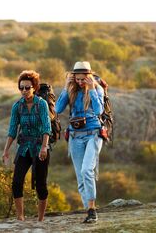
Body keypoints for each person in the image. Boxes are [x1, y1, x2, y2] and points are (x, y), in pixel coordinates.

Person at [55, 61, 104, 223]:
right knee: (80, 178)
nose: (81, 82)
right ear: (74, 77)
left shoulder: (97, 89)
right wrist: (65, 87)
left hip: (93, 134)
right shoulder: (71, 90)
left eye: (84, 79)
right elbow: (58, 109)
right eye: (78, 79)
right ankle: (89, 210)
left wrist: (92, 90)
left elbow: (99, 111)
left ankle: (92, 210)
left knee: (86, 171)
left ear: (89, 77)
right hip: (75, 135)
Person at [2, 70, 52, 222]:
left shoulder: (41, 104)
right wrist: (6, 151)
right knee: (17, 182)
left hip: (40, 148)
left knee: (41, 185)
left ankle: (40, 219)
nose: (24, 90)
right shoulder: (17, 106)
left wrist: (44, 147)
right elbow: (12, 130)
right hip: (24, 148)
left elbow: (46, 127)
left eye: (27, 87)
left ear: (34, 88)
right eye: (21, 87)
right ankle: (20, 217)